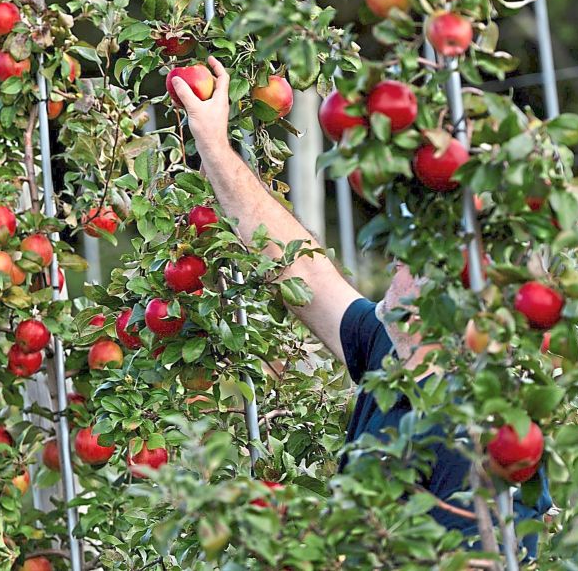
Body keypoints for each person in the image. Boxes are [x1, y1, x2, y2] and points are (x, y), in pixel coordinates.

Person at [169, 57, 551, 560]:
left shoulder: (487, 432)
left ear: (457, 289)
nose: (394, 259)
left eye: (414, 253)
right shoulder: (387, 347)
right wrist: (214, 145)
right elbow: (300, 269)